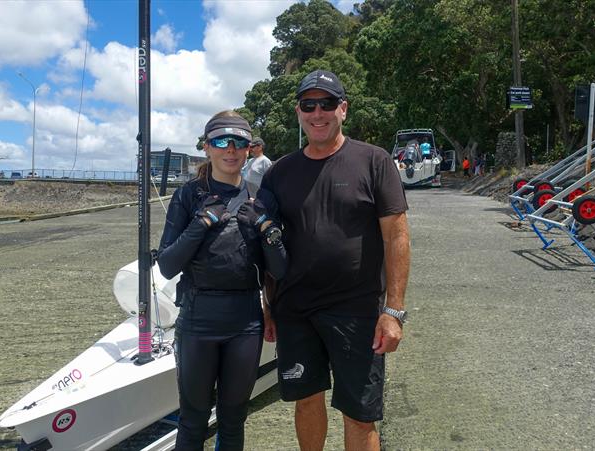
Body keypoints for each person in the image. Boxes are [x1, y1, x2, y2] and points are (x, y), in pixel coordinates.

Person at [260, 70, 411, 451]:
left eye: (327, 103)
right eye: (308, 105)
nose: (318, 112)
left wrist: (393, 311)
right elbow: (265, 242)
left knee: (360, 413)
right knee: (306, 400)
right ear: (299, 112)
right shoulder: (279, 172)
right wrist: (267, 304)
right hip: (295, 310)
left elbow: (397, 236)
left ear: (343, 109)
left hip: (357, 311)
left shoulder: (374, 161)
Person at [157, 110, 287, 450]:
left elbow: (281, 269)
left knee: (233, 418)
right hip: (198, 319)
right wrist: (199, 225)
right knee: (193, 419)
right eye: (220, 142)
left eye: (239, 142)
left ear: (249, 149)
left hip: (245, 321)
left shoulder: (263, 198)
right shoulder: (188, 196)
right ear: (206, 147)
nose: (230, 150)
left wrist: (268, 230)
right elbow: (167, 265)